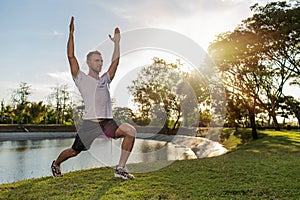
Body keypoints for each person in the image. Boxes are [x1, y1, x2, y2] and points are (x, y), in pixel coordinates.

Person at [51, 16, 136, 180]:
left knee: (130, 131)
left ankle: (120, 168)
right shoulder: (81, 78)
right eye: (97, 60)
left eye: (101, 61)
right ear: (88, 63)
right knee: (74, 151)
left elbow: (115, 63)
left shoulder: (105, 79)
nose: (100, 63)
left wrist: (117, 43)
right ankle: (56, 164)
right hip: (90, 123)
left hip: (107, 123)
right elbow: (70, 56)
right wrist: (71, 33)